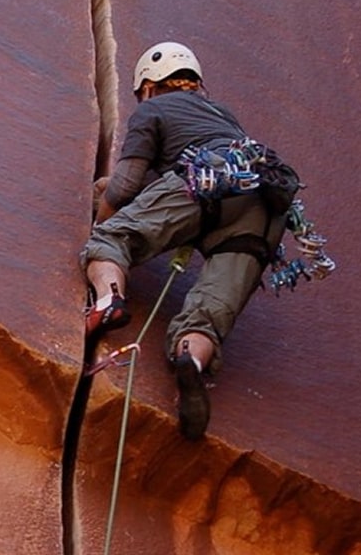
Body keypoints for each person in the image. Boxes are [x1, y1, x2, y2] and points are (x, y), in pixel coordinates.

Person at [80, 41, 289, 441]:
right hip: (264, 205)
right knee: (210, 308)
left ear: (148, 86)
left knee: (112, 240)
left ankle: (108, 302)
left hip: (206, 177)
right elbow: (161, 184)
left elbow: (125, 186)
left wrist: (102, 220)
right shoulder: (221, 115)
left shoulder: (153, 109)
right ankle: (190, 360)